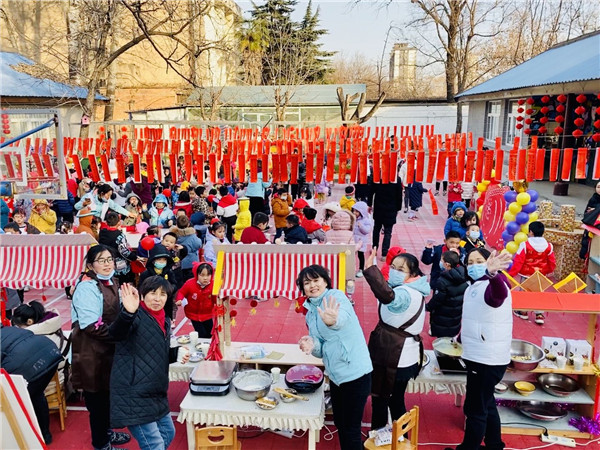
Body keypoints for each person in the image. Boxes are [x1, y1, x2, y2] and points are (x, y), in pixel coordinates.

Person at [297, 265, 372, 450]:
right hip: (336, 376)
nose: (312, 286)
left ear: (325, 281)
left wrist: (333, 321)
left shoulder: (336, 297)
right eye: (307, 283)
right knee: (340, 422)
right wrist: (312, 345)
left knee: (351, 429)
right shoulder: (311, 312)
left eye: (316, 280)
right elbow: (321, 348)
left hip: (356, 373)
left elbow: (342, 318)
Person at [445, 248, 512, 450]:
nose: (474, 266)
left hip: (486, 359)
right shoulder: (474, 286)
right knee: (486, 402)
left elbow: (497, 297)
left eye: (479, 261)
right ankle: (494, 444)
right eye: (470, 262)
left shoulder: (494, 285)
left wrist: (493, 274)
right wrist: (459, 338)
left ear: (489, 262)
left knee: (475, 409)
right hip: (482, 356)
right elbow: (477, 318)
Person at [109, 278, 186, 450]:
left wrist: (176, 353)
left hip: (156, 392)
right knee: (154, 444)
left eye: (163, 294)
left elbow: (156, 352)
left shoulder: (164, 320)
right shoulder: (135, 316)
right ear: (142, 295)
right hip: (134, 394)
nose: (158, 298)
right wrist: (127, 313)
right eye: (153, 293)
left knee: (168, 433)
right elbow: (115, 334)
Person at [70, 244, 131, 450]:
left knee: (108, 398)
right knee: (98, 403)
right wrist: (120, 334)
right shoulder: (87, 288)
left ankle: (107, 433)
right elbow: (90, 326)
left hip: (108, 349)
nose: (107, 264)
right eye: (101, 260)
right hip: (91, 353)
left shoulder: (111, 281)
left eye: (109, 259)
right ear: (90, 265)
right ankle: (102, 444)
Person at [1, 325, 63, 445]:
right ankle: (45, 435)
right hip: (51, 353)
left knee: (14, 402)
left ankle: (25, 439)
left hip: (28, 366)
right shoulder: (9, 330)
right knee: (37, 394)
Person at [508, 221, 556, 325]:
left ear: (531, 232)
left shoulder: (525, 245)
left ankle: (523, 312)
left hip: (526, 274)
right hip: (540, 275)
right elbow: (552, 262)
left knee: (524, 293)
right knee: (539, 294)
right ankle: (539, 314)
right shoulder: (549, 246)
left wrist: (511, 274)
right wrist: (548, 271)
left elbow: (518, 261)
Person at [426, 251, 468, 337]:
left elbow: (437, 300)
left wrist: (428, 307)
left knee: (442, 340)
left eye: (441, 260)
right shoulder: (464, 275)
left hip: (443, 317)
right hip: (456, 316)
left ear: (447, 264)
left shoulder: (443, 280)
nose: (440, 262)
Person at [138, 243, 178, 322]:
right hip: (150, 303)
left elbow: (175, 284)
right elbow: (140, 288)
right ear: (153, 261)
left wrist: (169, 289)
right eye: (159, 260)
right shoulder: (146, 274)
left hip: (166, 302)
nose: (162, 262)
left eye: (164, 260)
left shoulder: (169, 273)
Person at [175, 262, 216, 338]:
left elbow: (215, 298)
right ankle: (201, 343)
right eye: (202, 275)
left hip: (208, 314)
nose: (205, 278)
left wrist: (218, 305)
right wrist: (179, 299)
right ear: (196, 274)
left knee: (210, 332)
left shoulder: (213, 285)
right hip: (194, 315)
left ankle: (208, 344)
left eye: (208, 275)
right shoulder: (190, 284)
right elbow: (181, 292)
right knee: (201, 334)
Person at [98, 212, 138, 285]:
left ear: (106, 222)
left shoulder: (102, 232)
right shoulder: (120, 235)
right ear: (119, 222)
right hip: (118, 265)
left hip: (106, 260)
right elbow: (124, 252)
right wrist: (134, 257)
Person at [371, 179, 403, 260]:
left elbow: (371, 191)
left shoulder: (378, 177)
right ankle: (384, 254)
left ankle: (374, 249)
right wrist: (398, 208)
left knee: (376, 229)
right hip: (391, 208)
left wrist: (369, 204)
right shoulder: (396, 179)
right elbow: (399, 195)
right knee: (388, 232)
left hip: (379, 207)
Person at [171, 215, 203, 282]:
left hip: (177, 263)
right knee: (190, 282)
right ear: (188, 224)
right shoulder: (193, 236)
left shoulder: (173, 235)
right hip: (191, 263)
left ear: (176, 224)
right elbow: (199, 244)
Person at [352, 201, 373, 277]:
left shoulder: (366, 220)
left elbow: (367, 230)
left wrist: (361, 226)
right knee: (352, 255)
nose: (354, 213)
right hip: (353, 240)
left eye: (357, 211)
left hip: (361, 241)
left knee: (360, 255)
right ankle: (351, 269)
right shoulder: (354, 219)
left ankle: (361, 269)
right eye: (354, 211)